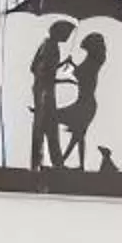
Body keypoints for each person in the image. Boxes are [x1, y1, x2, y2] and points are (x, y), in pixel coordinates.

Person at [55, 30, 109, 170]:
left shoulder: (92, 62)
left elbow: (80, 75)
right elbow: (80, 74)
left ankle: (63, 162)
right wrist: (72, 64)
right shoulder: (94, 61)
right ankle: (75, 164)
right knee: (78, 136)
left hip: (84, 104)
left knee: (76, 135)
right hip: (85, 103)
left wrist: (71, 64)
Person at [27, 21, 75, 172]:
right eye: (67, 33)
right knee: (44, 126)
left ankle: (50, 163)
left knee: (47, 127)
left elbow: (35, 67)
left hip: (42, 90)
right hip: (45, 92)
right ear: (59, 32)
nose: (68, 36)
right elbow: (42, 71)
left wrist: (60, 66)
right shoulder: (51, 46)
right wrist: (62, 78)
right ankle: (45, 163)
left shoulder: (47, 44)